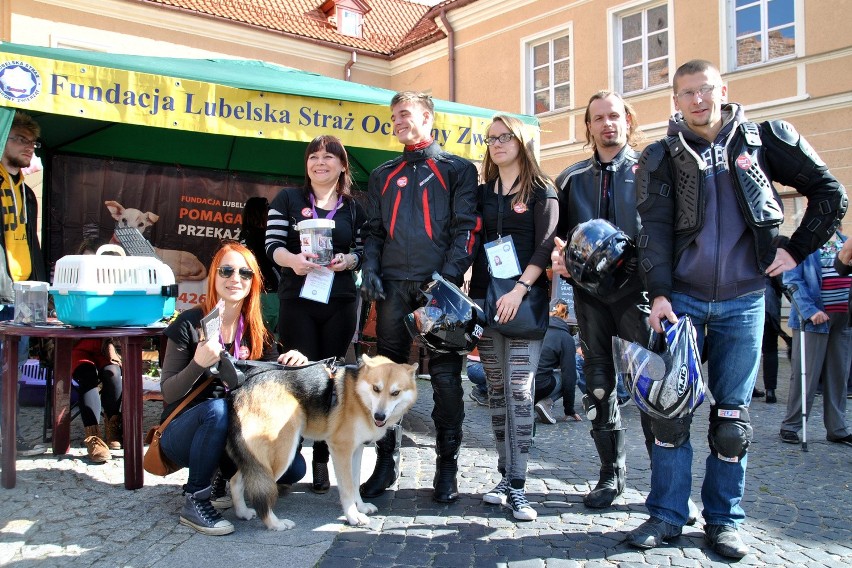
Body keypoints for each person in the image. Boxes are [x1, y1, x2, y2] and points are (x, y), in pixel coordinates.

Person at [630, 59, 847, 559]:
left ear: (722, 90)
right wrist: (659, 294)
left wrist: (796, 249)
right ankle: (665, 514)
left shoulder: (763, 140)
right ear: (676, 101)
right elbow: (654, 231)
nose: (698, 101)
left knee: (732, 421)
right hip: (680, 300)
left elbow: (829, 193)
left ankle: (724, 520)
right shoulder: (661, 154)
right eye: (687, 94)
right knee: (670, 416)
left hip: (745, 300)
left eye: (705, 90)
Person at [360, 91, 479, 503]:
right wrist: (370, 268)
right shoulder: (382, 174)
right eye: (393, 116)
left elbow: (467, 228)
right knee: (385, 382)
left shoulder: (458, 169)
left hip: (438, 291)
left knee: (446, 380)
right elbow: (373, 230)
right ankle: (385, 464)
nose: (397, 122)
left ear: (428, 118)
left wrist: (445, 283)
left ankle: (447, 470)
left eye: (405, 115)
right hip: (392, 287)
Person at [549, 91, 656, 509]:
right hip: (589, 297)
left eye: (614, 116)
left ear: (627, 120)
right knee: (597, 386)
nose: (607, 124)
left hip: (638, 294)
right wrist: (559, 258)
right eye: (598, 118)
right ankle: (610, 475)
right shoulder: (571, 178)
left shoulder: (651, 169)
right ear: (588, 126)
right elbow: (556, 238)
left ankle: (662, 483)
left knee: (651, 386)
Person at [158, 242, 308, 535]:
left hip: (234, 437)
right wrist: (197, 364)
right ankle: (195, 500)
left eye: (244, 272)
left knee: (294, 469)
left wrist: (291, 365)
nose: (235, 278)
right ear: (213, 276)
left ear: (254, 282)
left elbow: (269, 383)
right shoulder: (190, 323)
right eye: (226, 270)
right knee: (217, 409)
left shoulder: (255, 328)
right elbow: (168, 392)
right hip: (184, 432)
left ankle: (221, 474)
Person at [467, 114, 557, 521]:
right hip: (487, 301)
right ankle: (505, 475)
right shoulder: (484, 192)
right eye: (491, 139)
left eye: (506, 137)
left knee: (521, 390)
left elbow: (545, 247)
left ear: (521, 142)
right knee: (498, 392)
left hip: (524, 301)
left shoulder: (543, 191)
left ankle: (519, 486)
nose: (498, 144)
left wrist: (520, 289)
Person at [265, 135, 366, 494]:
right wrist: (293, 261)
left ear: (342, 166)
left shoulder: (354, 208)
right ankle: (285, 455)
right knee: (299, 378)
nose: (320, 163)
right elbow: (272, 246)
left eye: (328, 157)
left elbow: (364, 251)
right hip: (298, 300)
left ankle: (322, 460)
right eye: (313, 157)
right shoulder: (288, 199)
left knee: (332, 379)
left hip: (340, 301)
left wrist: (349, 260)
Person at [0, 111, 47, 457]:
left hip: (23, 294)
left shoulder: (27, 191)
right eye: (20, 139)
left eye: (32, 142)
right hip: (1, 291)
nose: (28, 147)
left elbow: (33, 242)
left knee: (11, 372)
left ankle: (9, 437)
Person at [779, 232, 851, 446]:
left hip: (844, 319)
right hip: (813, 319)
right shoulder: (802, 244)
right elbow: (791, 280)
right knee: (806, 376)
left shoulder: (845, 241)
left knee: (839, 376)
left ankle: (837, 428)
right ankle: (791, 425)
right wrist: (810, 311)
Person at [72, 338, 122, 462]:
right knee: (87, 375)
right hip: (74, 346)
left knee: (113, 374)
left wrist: (111, 345)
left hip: (105, 346)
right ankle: (93, 437)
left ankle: (112, 427)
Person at [533, 300, 582, 424]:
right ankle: (546, 403)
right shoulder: (565, 338)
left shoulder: (534, 328)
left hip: (519, 383)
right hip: (539, 386)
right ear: (566, 316)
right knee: (575, 374)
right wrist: (569, 409)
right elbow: (569, 376)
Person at [240, 196, 280, 337]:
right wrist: (280, 284)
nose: (270, 212)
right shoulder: (261, 236)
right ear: (260, 212)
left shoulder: (244, 235)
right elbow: (268, 267)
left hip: (251, 292)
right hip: (268, 293)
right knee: (268, 336)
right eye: (267, 209)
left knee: (255, 333)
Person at [760, 275, 789, 404]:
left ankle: (747, 388)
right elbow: (783, 283)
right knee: (770, 350)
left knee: (747, 350)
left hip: (748, 304)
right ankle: (770, 391)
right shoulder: (772, 256)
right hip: (769, 307)